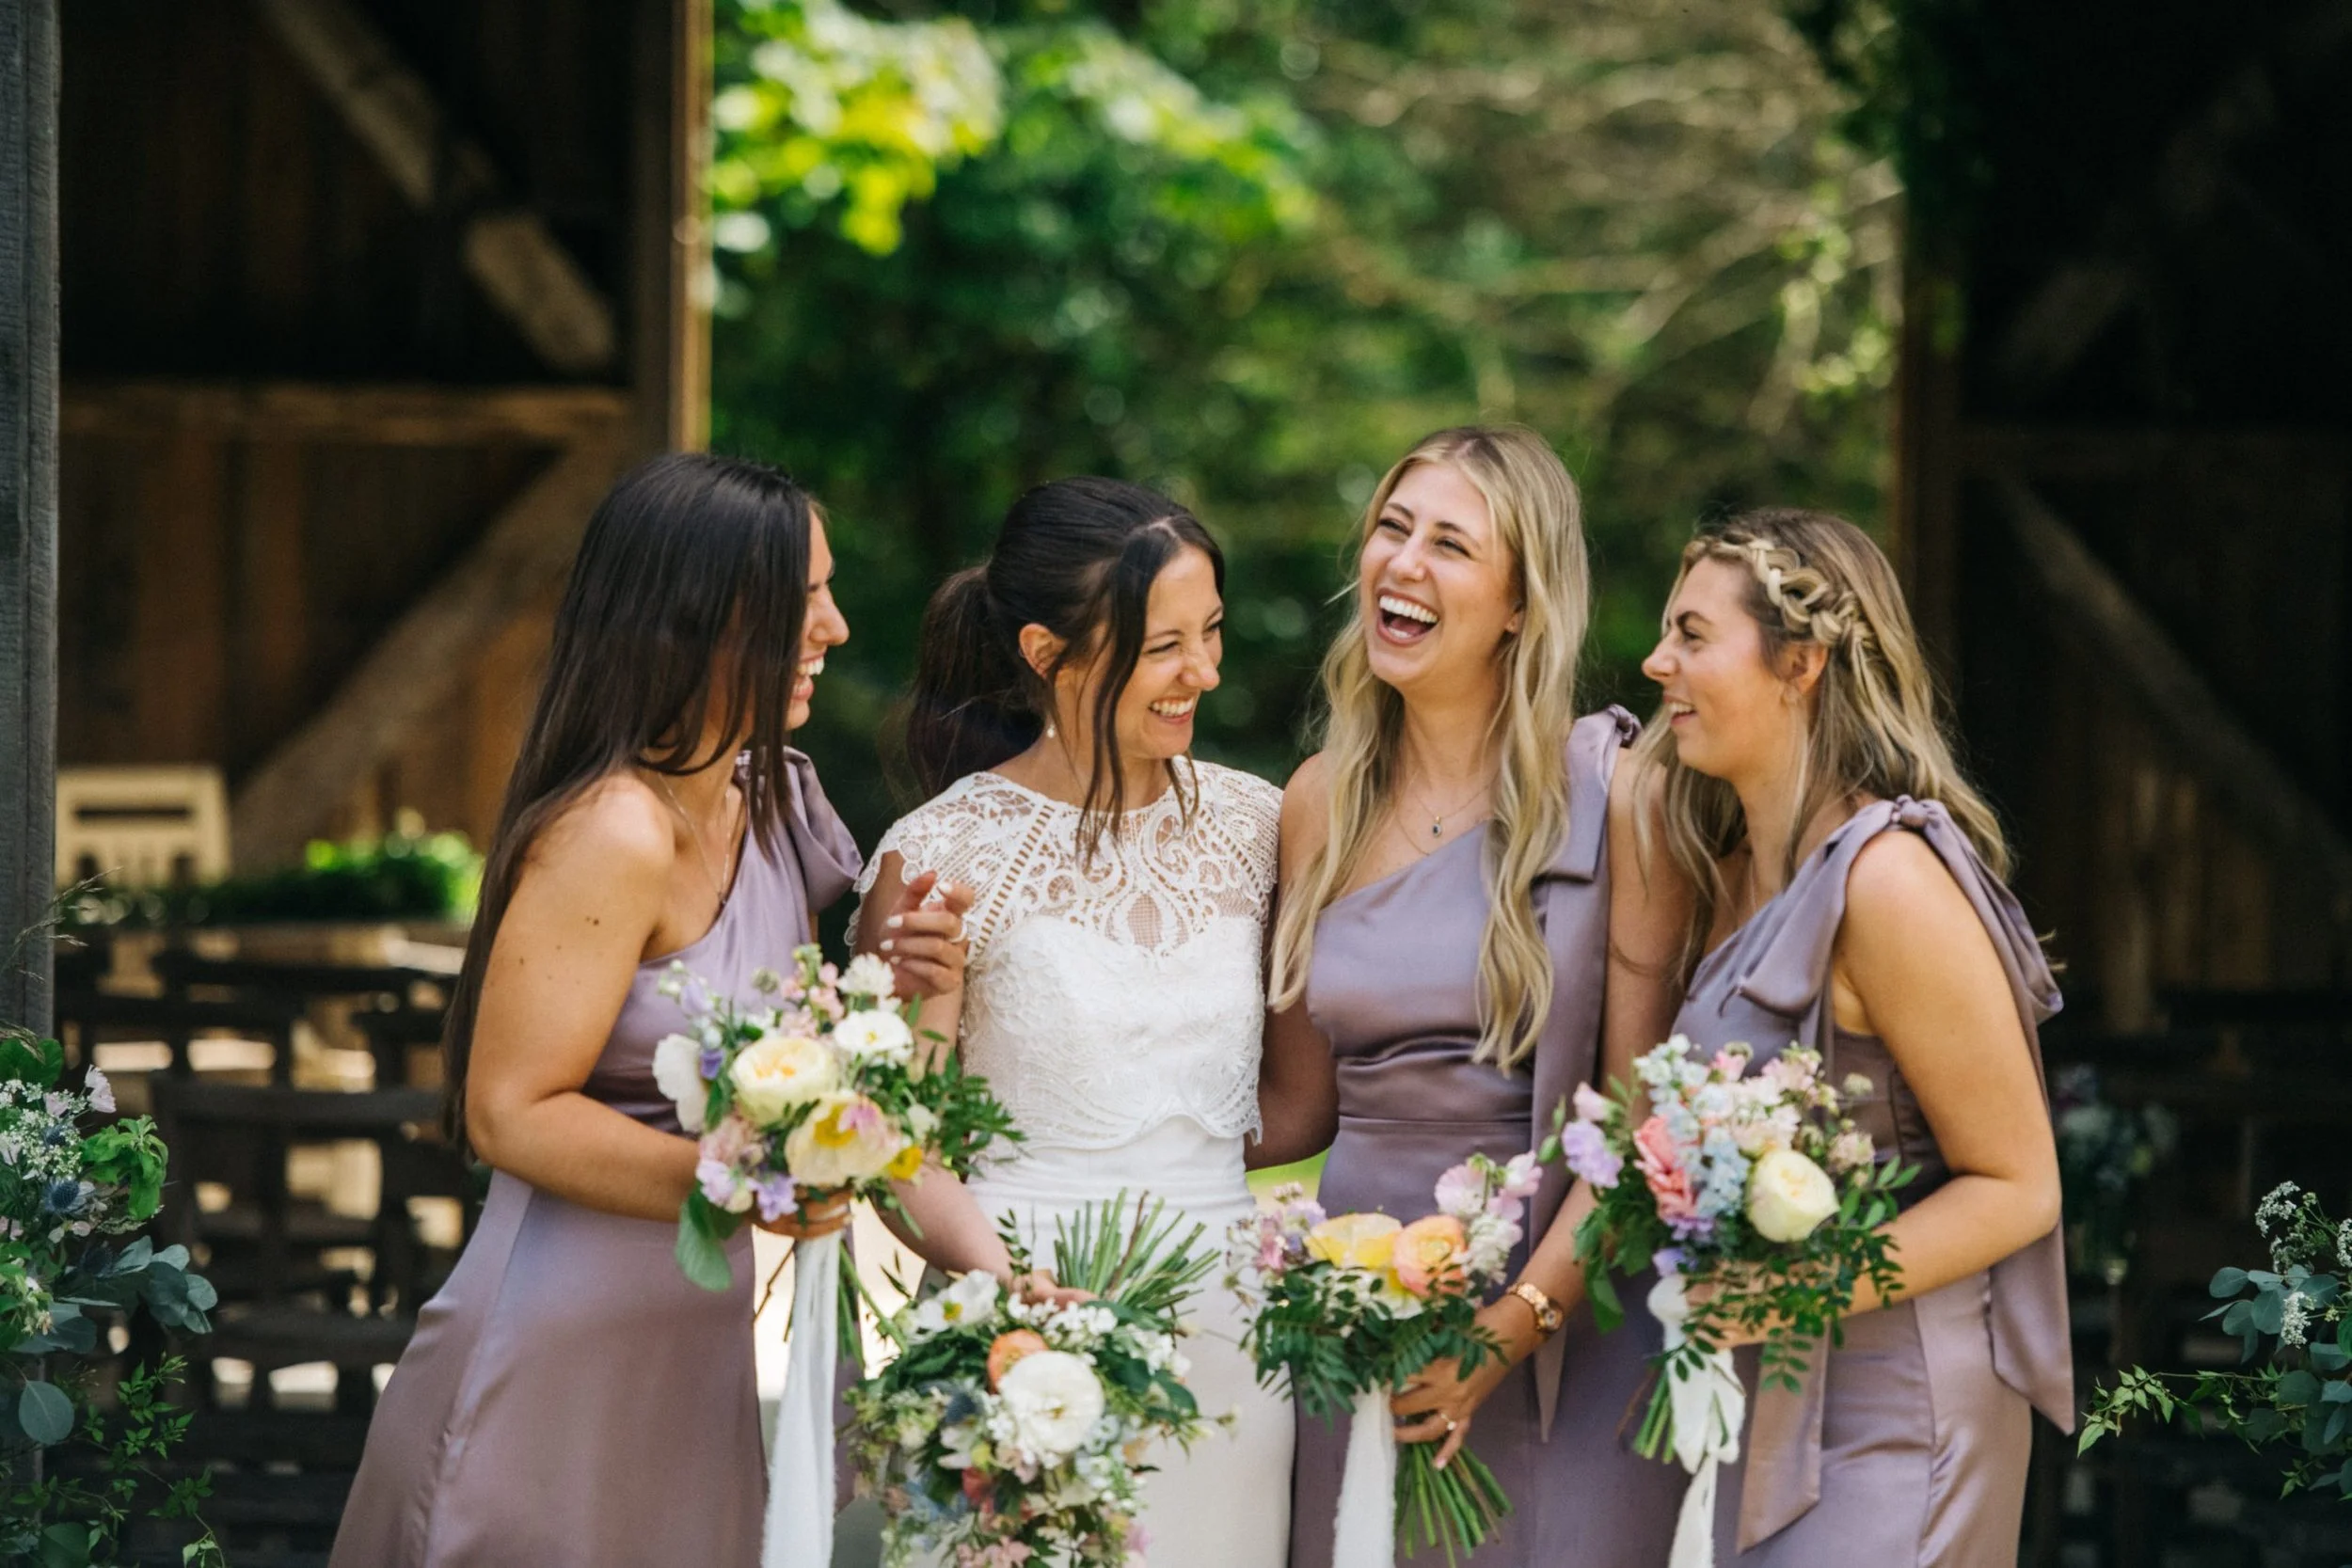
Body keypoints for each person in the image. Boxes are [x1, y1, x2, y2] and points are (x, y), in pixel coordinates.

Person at [332, 453, 958, 1567]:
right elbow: (508, 1110)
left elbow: (780, 1055)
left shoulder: (764, 804)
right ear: (705, 616)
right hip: (554, 1355)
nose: (839, 625)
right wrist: (753, 1179)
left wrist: (894, 987)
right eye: (805, 597)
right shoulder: (614, 830)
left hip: (692, 1354)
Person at [1258, 425, 1691, 1567]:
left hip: (1560, 1306)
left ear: (1517, 602)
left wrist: (1510, 1325)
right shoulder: (1316, 802)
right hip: (1352, 1319)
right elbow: (1293, 1107)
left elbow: (1636, 1117)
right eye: (1392, 529)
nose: (1403, 563)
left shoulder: (1617, 793)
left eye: (1450, 544)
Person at [856, 476, 1295, 1566]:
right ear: (1050, 654)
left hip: (1230, 1338)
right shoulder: (939, 855)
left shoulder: (1261, 825)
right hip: (1014, 1328)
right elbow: (885, 1136)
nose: (1206, 671)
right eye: (1164, 646)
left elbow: (1299, 1092)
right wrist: (1001, 1282)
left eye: (1212, 633)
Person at [1636, 508, 2071, 1565]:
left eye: (1693, 635)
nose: (1657, 662)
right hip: (1771, 1406)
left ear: (1802, 663)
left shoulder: (1888, 881)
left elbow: (2018, 1185)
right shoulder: (1734, 872)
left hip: (1899, 1414)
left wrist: (1783, 1289)